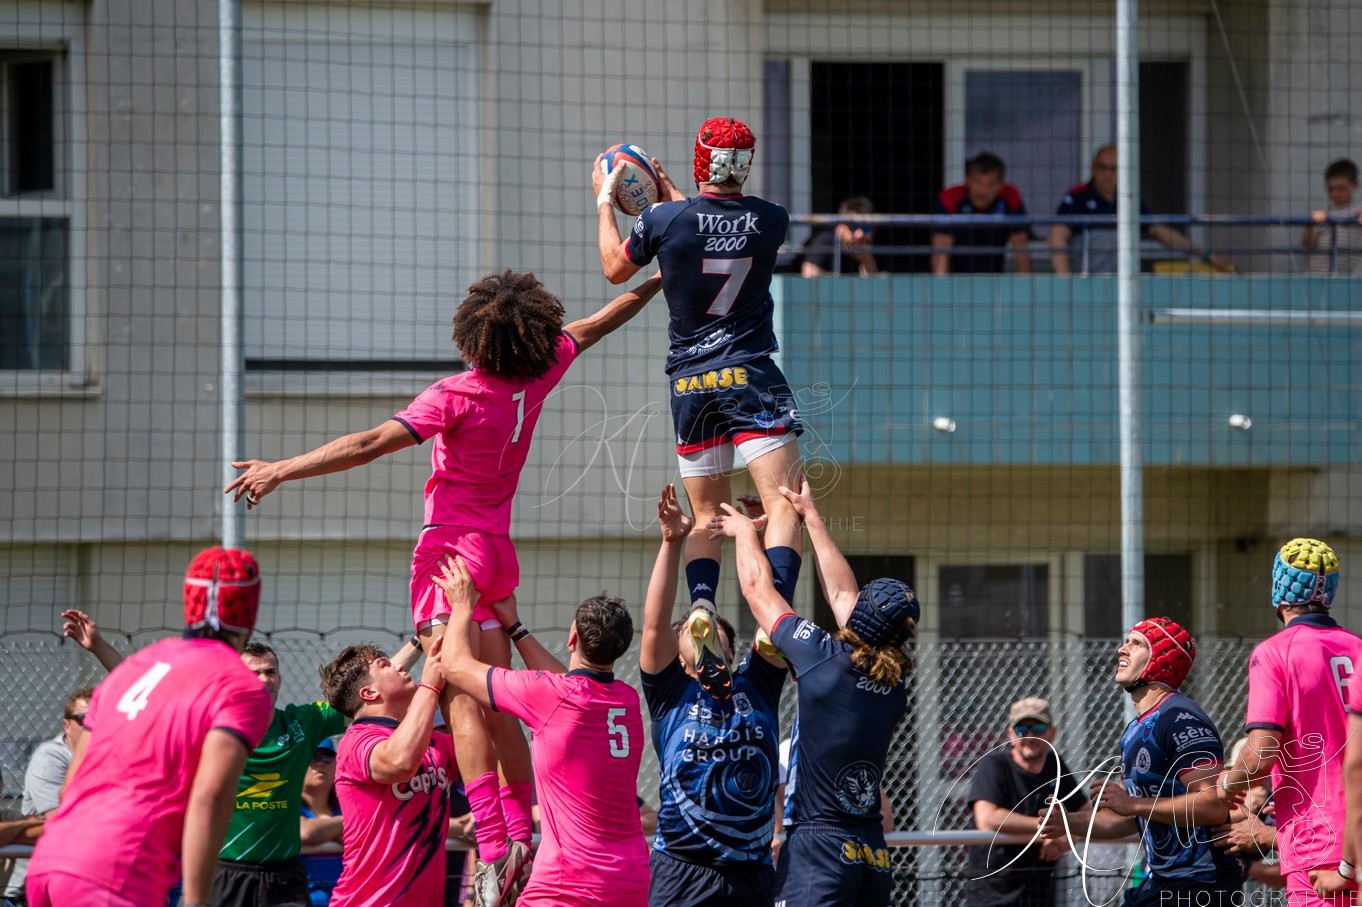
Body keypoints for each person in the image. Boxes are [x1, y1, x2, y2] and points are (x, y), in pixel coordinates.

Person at [226, 271, 662, 906]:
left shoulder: (457, 394)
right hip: (499, 554)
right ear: (531, 333)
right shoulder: (542, 370)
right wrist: (661, 276)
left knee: (459, 691)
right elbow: (595, 323)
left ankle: (493, 844)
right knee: (498, 701)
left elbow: (368, 444)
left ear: (473, 338)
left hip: (450, 554)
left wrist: (282, 468)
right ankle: (521, 833)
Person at [594, 115, 805, 707]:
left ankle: (704, 606)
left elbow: (615, 267)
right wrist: (675, 198)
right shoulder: (772, 219)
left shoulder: (665, 221)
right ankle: (773, 616)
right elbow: (719, 227)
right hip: (750, 374)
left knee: (706, 514)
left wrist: (606, 202)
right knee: (786, 501)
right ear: (746, 166)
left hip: (691, 384)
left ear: (698, 161)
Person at [24, 547, 275, 907]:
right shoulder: (241, 686)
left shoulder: (136, 667)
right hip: (118, 874)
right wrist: (196, 900)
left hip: (50, 863)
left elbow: (70, 788)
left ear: (189, 603)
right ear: (250, 613)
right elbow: (211, 797)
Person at [60, 611, 362, 907]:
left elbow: (364, 699)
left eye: (270, 672)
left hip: (284, 877)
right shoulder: (211, 726)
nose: (263, 680)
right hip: (224, 871)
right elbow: (145, 689)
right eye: (253, 673)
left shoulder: (301, 722)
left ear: (280, 679)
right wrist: (98, 646)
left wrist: (393, 658)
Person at [709, 480, 914, 907]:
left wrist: (746, 533)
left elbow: (758, 591)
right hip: (871, 851)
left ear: (861, 618)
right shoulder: (894, 686)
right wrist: (809, 516)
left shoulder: (823, 659)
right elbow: (842, 594)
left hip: (820, 848)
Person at [435, 555, 649, 907]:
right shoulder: (625, 699)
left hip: (569, 883)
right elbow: (570, 682)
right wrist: (515, 627)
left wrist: (461, 605)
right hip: (632, 878)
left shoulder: (551, 696)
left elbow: (456, 666)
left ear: (572, 637)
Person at [638, 485, 787, 906]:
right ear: (679, 657)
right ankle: (701, 601)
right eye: (693, 630)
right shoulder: (670, 693)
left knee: (776, 629)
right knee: (772, 624)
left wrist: (757, 535)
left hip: (750, 868)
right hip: (683, 865)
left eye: (712, 630)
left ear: (731, 653)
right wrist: (671, 541)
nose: (704, 631)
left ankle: (717, 607)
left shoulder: (756, 686)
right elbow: (654, 625)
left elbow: (771, 605)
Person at [1038, 617, 1240, 907]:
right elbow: (1129, 819)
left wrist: (1134, 804)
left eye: (1137, 644)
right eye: (1126, 642)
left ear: (1163, 660)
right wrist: (1070, 823)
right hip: (1162, 881)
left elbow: (1212, 805)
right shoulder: (1135, 730)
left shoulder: (1180, 719)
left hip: (1202, 884)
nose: (1122, 649)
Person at [1218, 538, 1358, 907]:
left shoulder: (1275, 652)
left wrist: (1225, 786)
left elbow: (1261, 753)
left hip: (1317, 848)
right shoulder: (1358, 648)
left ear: (1279, 592)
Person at [318, 639, 456, 907]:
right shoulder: (356, 741)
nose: (399, 666)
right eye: (385, 665)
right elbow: (399, 763)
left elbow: (488, 761)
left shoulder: (433, 742)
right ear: (369, 693)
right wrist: (429, 687)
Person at [964, 697, 1087, 907]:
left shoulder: (1055, 765)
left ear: (1052, 733)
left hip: (1039, 893)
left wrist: (1066, 837)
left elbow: (1087, 814)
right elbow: (987, 818)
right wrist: (1050, 829)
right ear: (1011, 735)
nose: (1030, 736)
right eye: (1022, 730)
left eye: (1038, 728)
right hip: (993, 893)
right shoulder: (994, 765)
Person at [1047, 145, 1233, 275]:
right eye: (1102, 168)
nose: (1108, 175)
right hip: (1085, 286)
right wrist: (1067, 285)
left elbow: (1159, 231)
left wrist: (1206, 255)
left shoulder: (1129, 199)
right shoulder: (1078, 196)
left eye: (1114, 169)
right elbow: (1057, 236)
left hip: (1121, 288)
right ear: (1093, 169)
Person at [1, 686, 92, 906]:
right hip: (32, 887)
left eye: (101, 718)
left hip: (86, 875)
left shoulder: (113, 755)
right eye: (84, 718)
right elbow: (62, 824)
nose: (93, 725)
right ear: (66, 725)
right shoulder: (52, 757)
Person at [931, 153, 1032, 275]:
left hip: (995, 279)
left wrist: (1025, 286)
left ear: (1001, 185)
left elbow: (1021, 251)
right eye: (978, 182)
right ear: (967, 180)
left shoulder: (1010, 197)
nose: (983, 191)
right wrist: (942, 286)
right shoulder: (950, 198)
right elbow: (941, 255)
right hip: (956, 281)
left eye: (991, 184)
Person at [298, 739, 343, 907]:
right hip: (302, 898)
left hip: (346, 898)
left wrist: (324, 831)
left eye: (327, 756)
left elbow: (364, 841)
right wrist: (347, 822)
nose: (320, 763)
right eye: (312, 756)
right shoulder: (287, 807)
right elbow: (307, 833)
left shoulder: (347, 805)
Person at [1301, 158, 1362, 274]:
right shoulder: (1325, 214)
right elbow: (1307, 245)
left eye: (1341, 189)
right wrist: (1310, 224)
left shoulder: (1357, 210)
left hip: (1340, 278)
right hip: (1313, 276)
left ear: (1355, 185)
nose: (1335, 194)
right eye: (1331, 189)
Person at [798, 196, 879, 276]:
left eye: (866, 228)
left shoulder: (880, 247)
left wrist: (867, 261)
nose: (860, 234)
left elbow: (874, 283)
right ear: (840, 226)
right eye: (853, 227)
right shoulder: (824, 240)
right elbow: (809, 275)